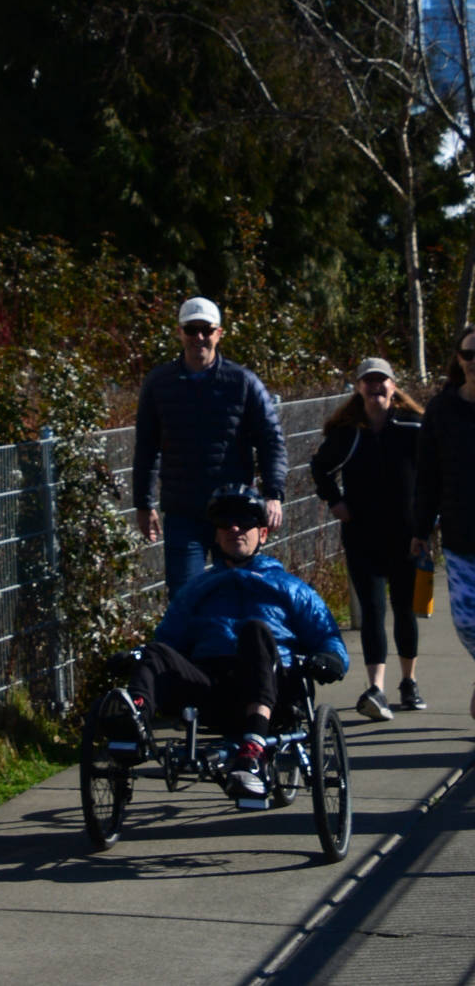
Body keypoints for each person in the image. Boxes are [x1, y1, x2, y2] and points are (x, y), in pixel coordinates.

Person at [130, 488, 348, 802]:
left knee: (255, 631)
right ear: (216, 536)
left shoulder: (289, 587)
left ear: (261, 534)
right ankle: (132, 725)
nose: (234, 529)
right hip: (212, 687)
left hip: (274, 685)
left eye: (244, 523)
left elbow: (328, 635)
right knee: (153, 653)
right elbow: (167, 640)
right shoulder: (198, 589)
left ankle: (254, 748)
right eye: (225, 524)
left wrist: (331, 659)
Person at [134, 297, 288, 590]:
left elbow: (271, 440)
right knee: (185, 597)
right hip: (183, 511)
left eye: (206, 329)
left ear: (219, 333)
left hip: (234, 513)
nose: (199, 338)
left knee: (237, 592)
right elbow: (146, 446)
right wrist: (143, 503)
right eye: (191, 330)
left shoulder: (243, 382)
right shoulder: (159, 383)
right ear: (180, 332)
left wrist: (273, 493)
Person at [311, 357, 426, 718]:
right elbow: (320, 467)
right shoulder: (347, 432)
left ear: (394, 386)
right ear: (359, 388)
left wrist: (427, 524)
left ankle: (408, 682)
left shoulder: (413, 427)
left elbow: (434, 473)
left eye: (382, 382)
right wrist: (335, 501)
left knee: (408, 609)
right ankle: (375, 687)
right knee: (373, 611)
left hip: (409, 537)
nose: (375, 388)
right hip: (362, 536)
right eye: (368, 382)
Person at [411, 323, 475, 719]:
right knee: (468, 623)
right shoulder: (442, 409)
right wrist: (420, 530)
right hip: (460, 534)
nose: (474, 363)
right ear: (458, 359)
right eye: (468, 354)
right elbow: (427, 475)